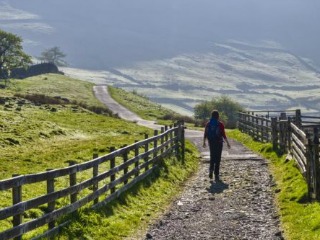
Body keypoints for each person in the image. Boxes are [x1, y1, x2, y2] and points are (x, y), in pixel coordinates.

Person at [203, 110, 231, 181]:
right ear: (218, 116)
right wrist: (227, 143)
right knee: (218, 157)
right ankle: (216, 173)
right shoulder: (220, 124)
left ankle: (211, 170)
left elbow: (205, 133)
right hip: (219, 142)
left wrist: (204, 142)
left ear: (212, 116)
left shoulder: (208, 124)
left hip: (211, 142)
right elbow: (223, 134)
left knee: (212, 156)